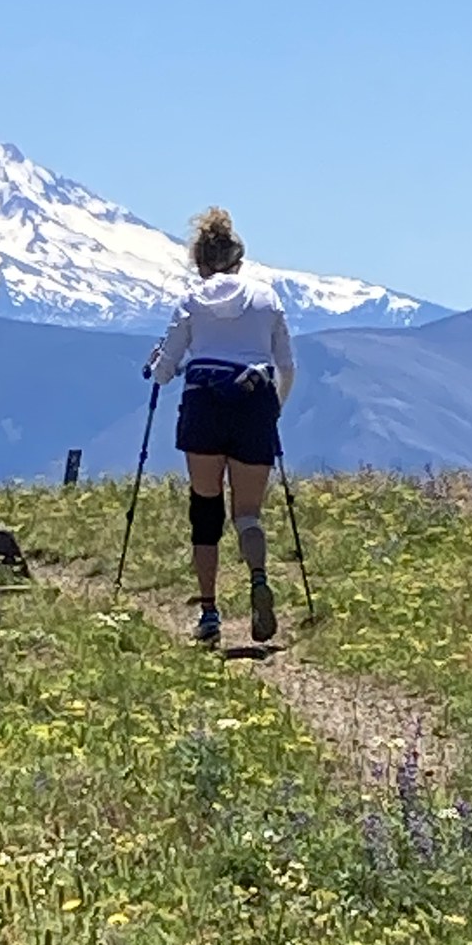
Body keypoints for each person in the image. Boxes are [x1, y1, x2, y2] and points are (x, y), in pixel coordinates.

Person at [147, 207, 296, 643]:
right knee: (247, 513)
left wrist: (160, 366)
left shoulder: (192, 302)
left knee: (205, 509)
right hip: (254, 405)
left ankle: (210, 613)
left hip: (204, 408)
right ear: (239, 260)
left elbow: (165, 369)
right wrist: (274, 410)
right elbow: (286, 364)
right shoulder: (268, 299)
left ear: (201, 263)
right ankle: (258, 579)